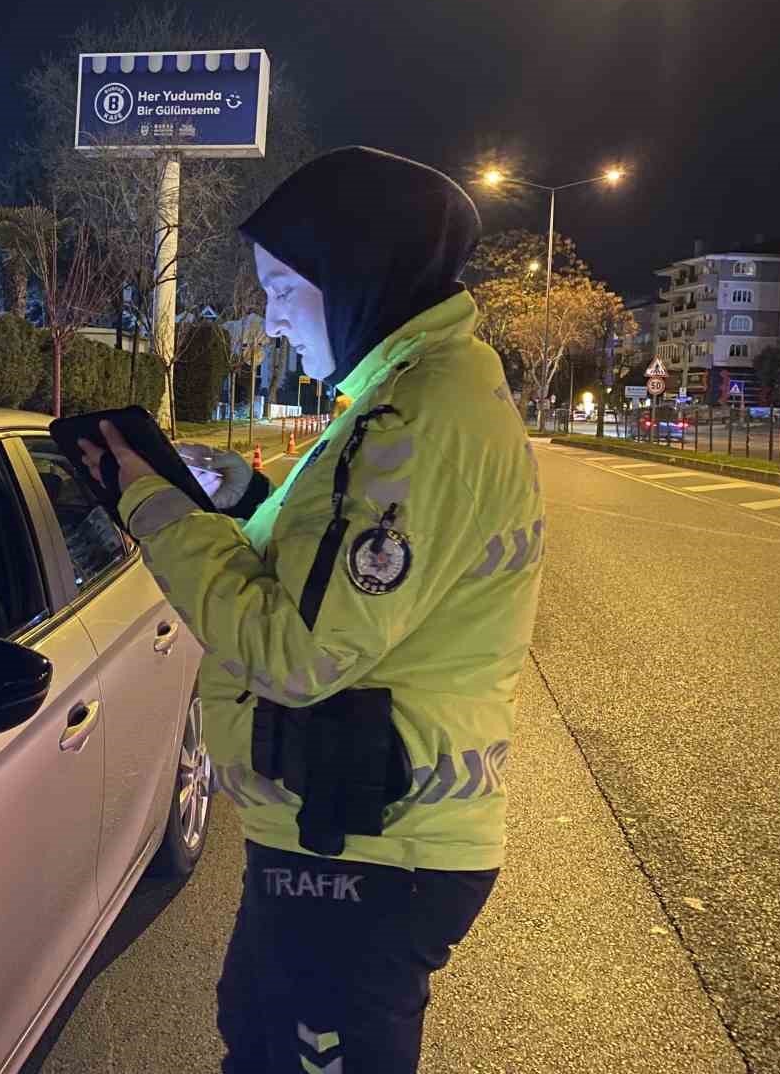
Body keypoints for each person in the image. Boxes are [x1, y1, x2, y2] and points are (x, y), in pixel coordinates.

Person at [77, 146, 544, 1073]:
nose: (272, 314)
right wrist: (248, 495)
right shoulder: (407, 394)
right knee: (258, 1033)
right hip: (352, 824)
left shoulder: (412, 423)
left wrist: (152, 505)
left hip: (370, 840)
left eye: (287, 286)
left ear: (360, 275)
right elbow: (330, 570)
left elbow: (299, 650)